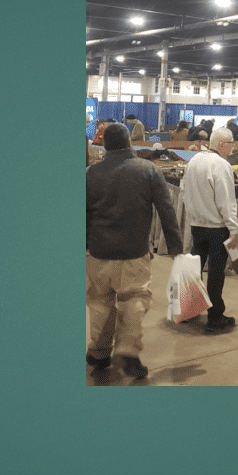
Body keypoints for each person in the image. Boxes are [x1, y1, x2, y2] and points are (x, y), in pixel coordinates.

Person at [86, 123, 183, 379]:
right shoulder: (148, 170)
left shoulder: (91, 173)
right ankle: (128, 349)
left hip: (98, 252)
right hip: (133, 253)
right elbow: (166, 210)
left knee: (100, 303)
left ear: (105, 145)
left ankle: (100, 352)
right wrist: (175, 246)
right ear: (129, 142)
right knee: (134, 300)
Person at [180, 127, 238, 333]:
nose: (233, 147)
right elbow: (226, 200)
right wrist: (233, 229)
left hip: (197, 226)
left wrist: (193, 217)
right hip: (217, 228)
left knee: (195, 271)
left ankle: (189, 310)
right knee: (216, 273)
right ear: (222, 144)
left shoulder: (194, 161)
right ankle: (215, 317)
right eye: (232, 143)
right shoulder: (221, 165)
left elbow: (184, 192)